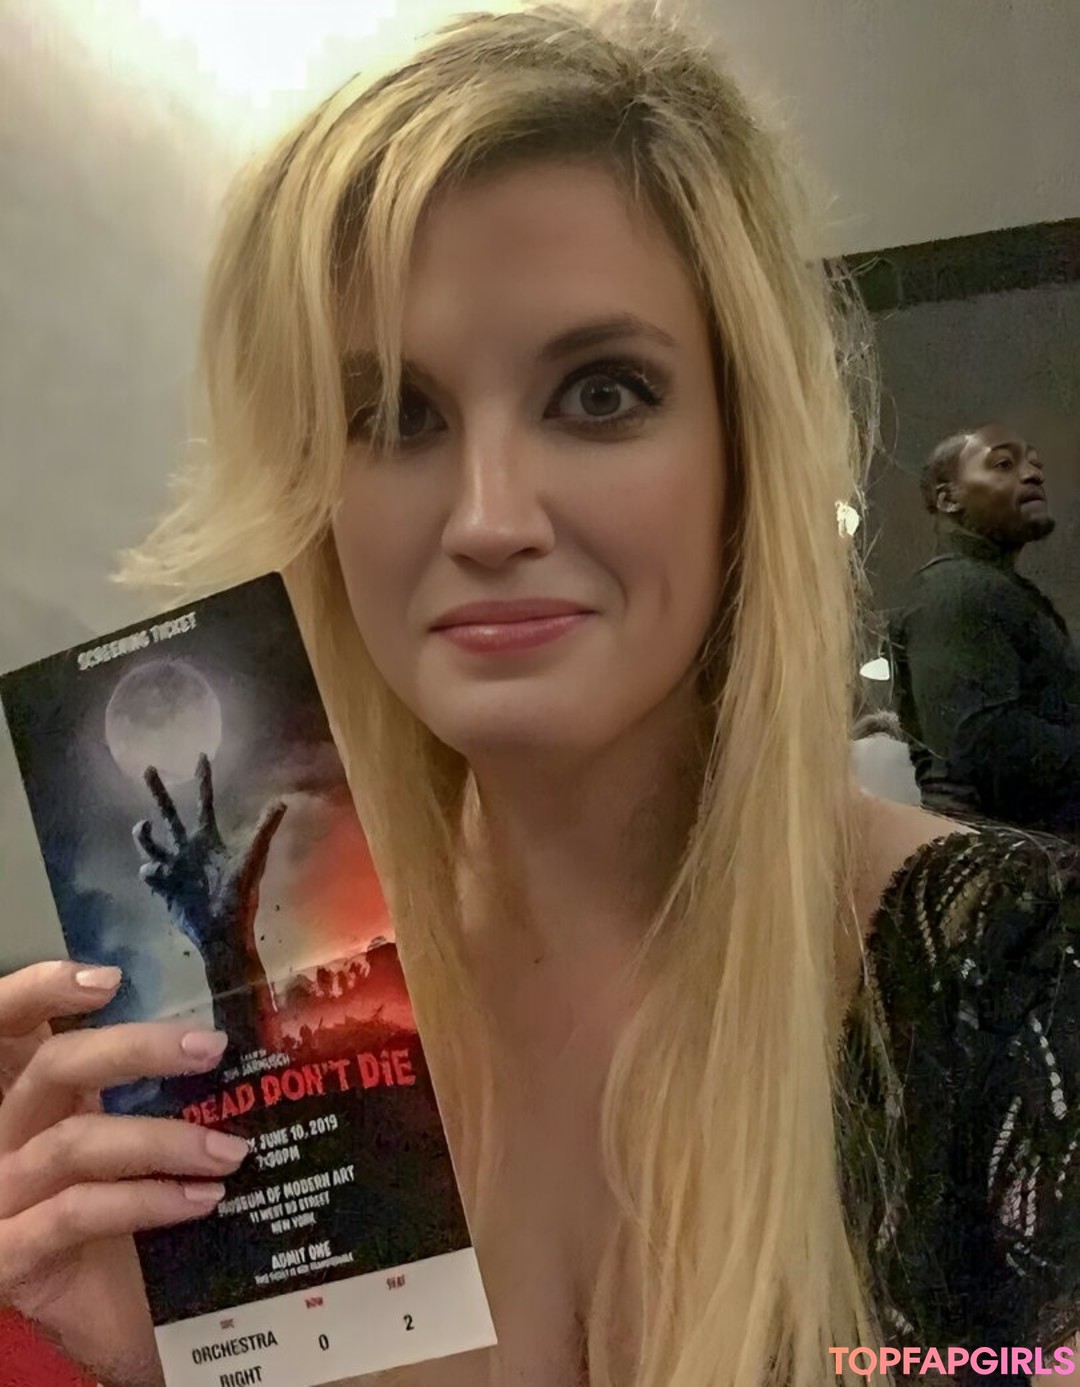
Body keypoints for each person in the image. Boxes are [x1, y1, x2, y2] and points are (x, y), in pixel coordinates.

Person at [0, 7, 1078, 1387]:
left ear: (742, 443)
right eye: (397, 415)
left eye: (602, 393)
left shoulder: (1022, 990)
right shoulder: (288, 1049)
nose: (491, 517)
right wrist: (190, 1360)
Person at [890, 425, 1080, 841]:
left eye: (1035, 464)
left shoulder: (988, 588)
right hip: (1007, 859)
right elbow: (983, 744)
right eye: (1004, 464)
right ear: (948, 499)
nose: (1034, 474)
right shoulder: (955, 590)